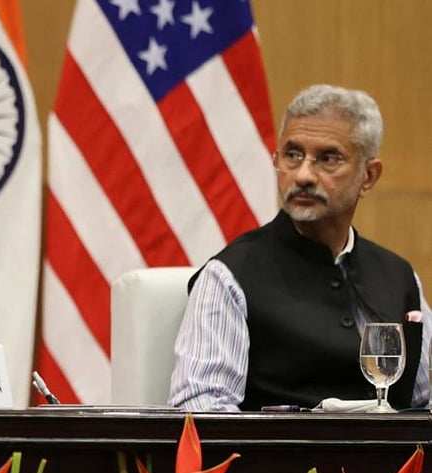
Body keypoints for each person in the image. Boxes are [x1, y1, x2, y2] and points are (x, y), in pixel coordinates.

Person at [168, 84, 431, 412]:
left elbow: (424, 404)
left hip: (395, 463)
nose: (303, 174)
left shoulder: (399, 276)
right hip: (279, 463)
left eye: (328, 158)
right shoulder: (229, 277)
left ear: (368, 176)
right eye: (293, 155)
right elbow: (201, 415)